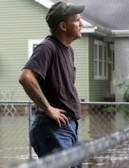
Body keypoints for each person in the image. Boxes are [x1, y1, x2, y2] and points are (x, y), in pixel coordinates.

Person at [18, 1, 84, 160]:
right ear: (63, 26)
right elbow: (25, 77)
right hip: (52, 129)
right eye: (76, 19)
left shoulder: (68, 50)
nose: (81, 23)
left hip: (67, 127)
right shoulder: (47, 47)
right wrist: (48, 108)